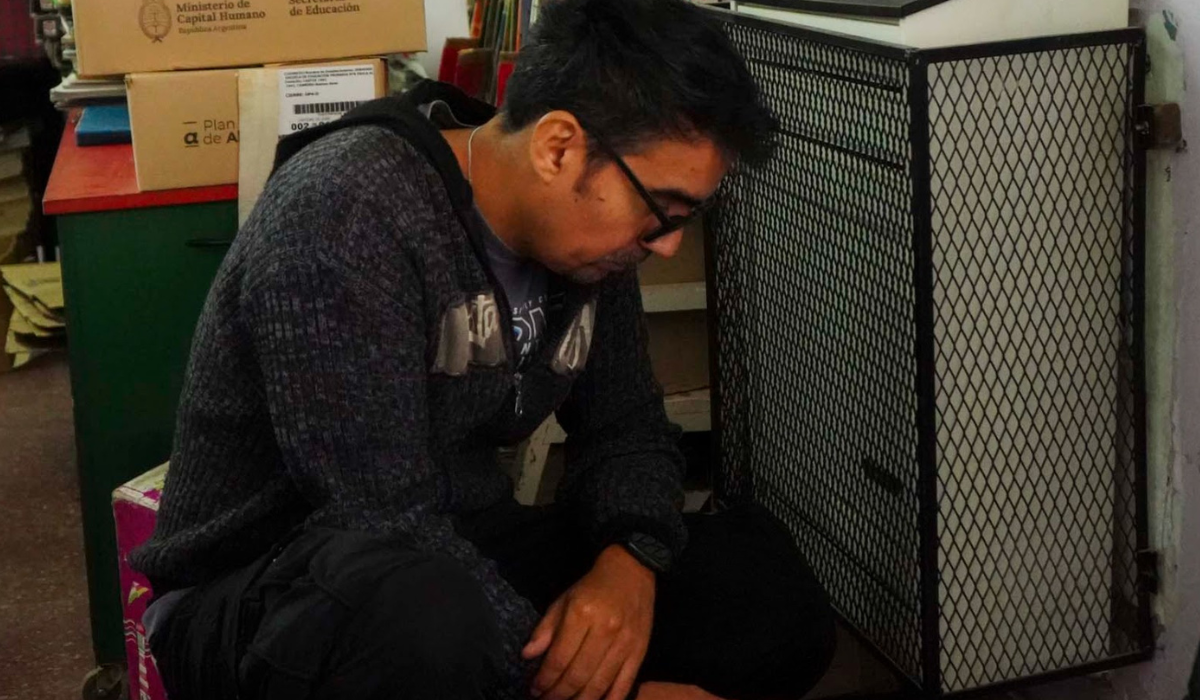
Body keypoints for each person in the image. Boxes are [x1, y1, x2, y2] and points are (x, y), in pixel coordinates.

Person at [132, 0, 836, 698]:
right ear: (558, 148)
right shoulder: (345, 210)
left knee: (763, 588)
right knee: (427, 622)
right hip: (271, 588)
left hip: (456, 542)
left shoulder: (589, 247)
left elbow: (627, 428)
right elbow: (377, 517)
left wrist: (630, 564)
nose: (669, 244)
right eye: (661, 211)